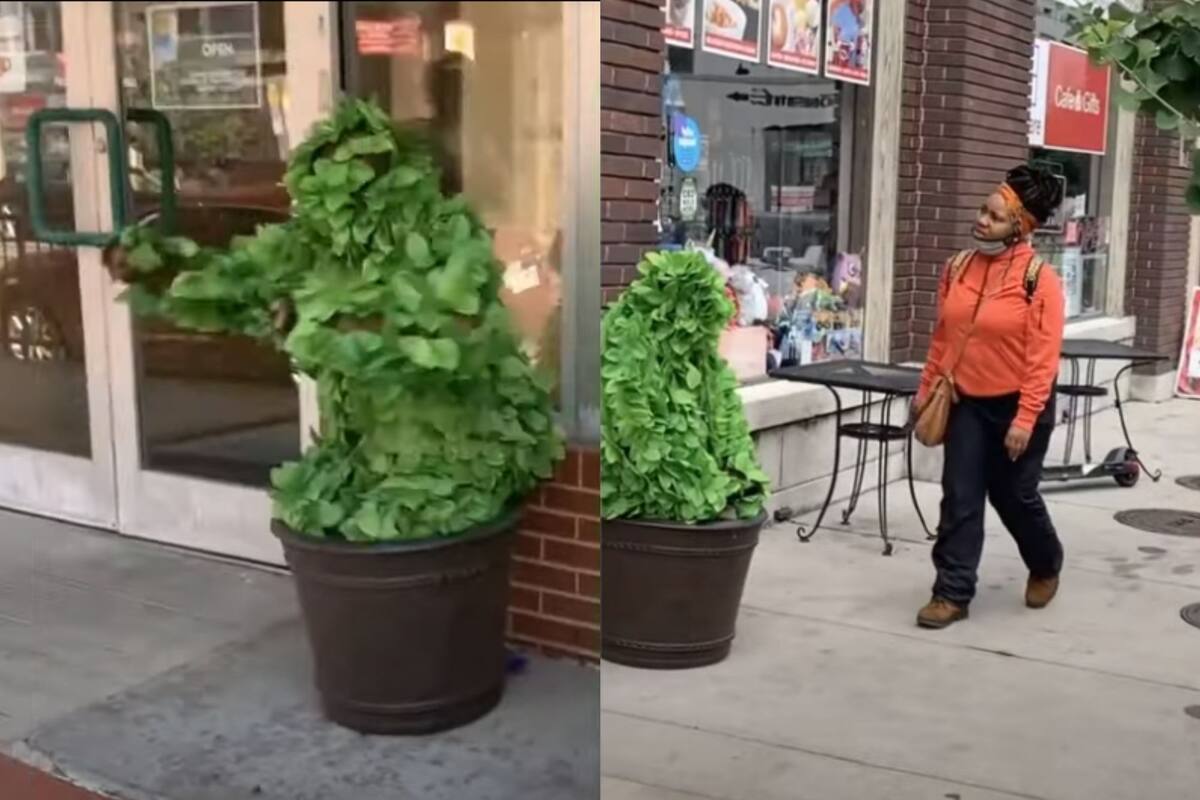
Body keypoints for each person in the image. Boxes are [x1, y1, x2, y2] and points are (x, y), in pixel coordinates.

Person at [913, 165, 1066, 630]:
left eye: (995, 217)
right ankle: (951, 593)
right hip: (967, 402)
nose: (982, 220)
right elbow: (943, 338)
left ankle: (1046, 562)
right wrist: (927, 388)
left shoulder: (1040, 280)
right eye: (983, 210)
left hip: (1020, 404)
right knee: (960, 496)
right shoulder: (957, 267)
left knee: (1014, 495)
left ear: (1020, 226)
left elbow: (1043, 358)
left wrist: (1025, 417)